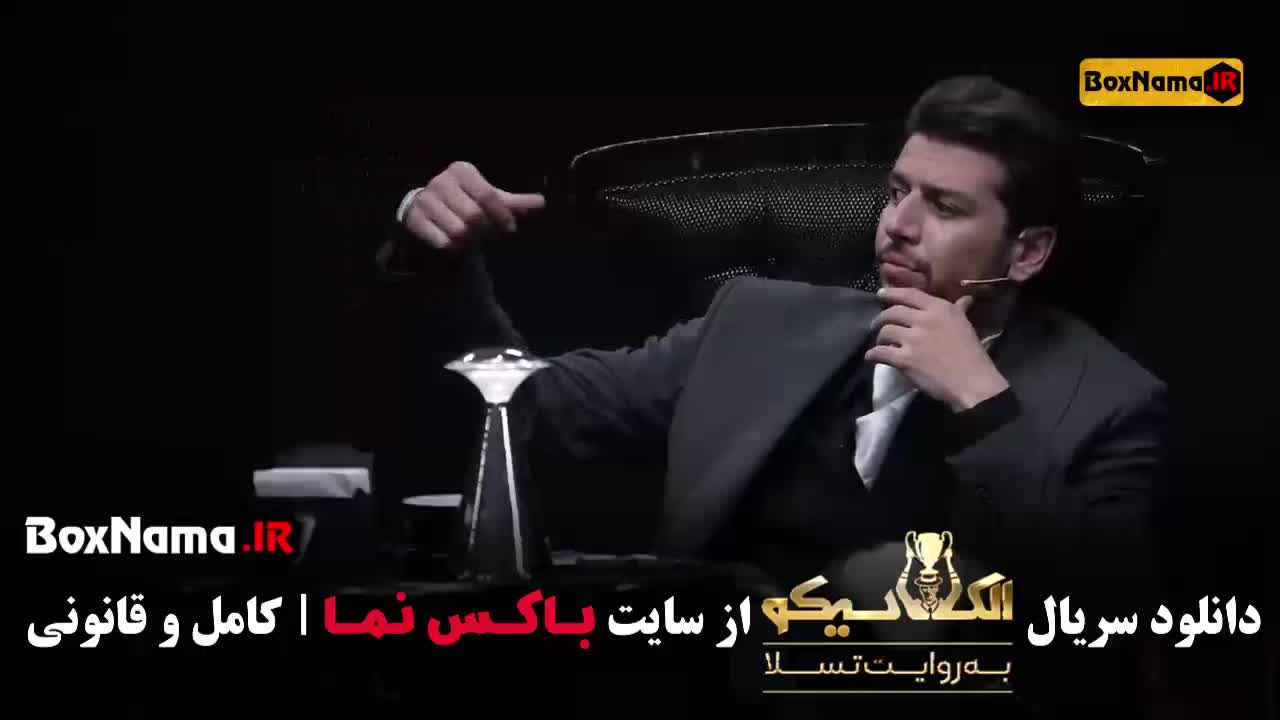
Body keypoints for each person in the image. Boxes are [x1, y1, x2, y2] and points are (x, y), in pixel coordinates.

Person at [364, 77, 1169, 713]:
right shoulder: (757, 322)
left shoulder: (1111, 402)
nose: (898, 225)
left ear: (1026, 253)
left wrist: (983, 406)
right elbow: (533, 410)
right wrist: (437, 260)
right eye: (898, 192)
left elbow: (1100, 630)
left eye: (946, 207)